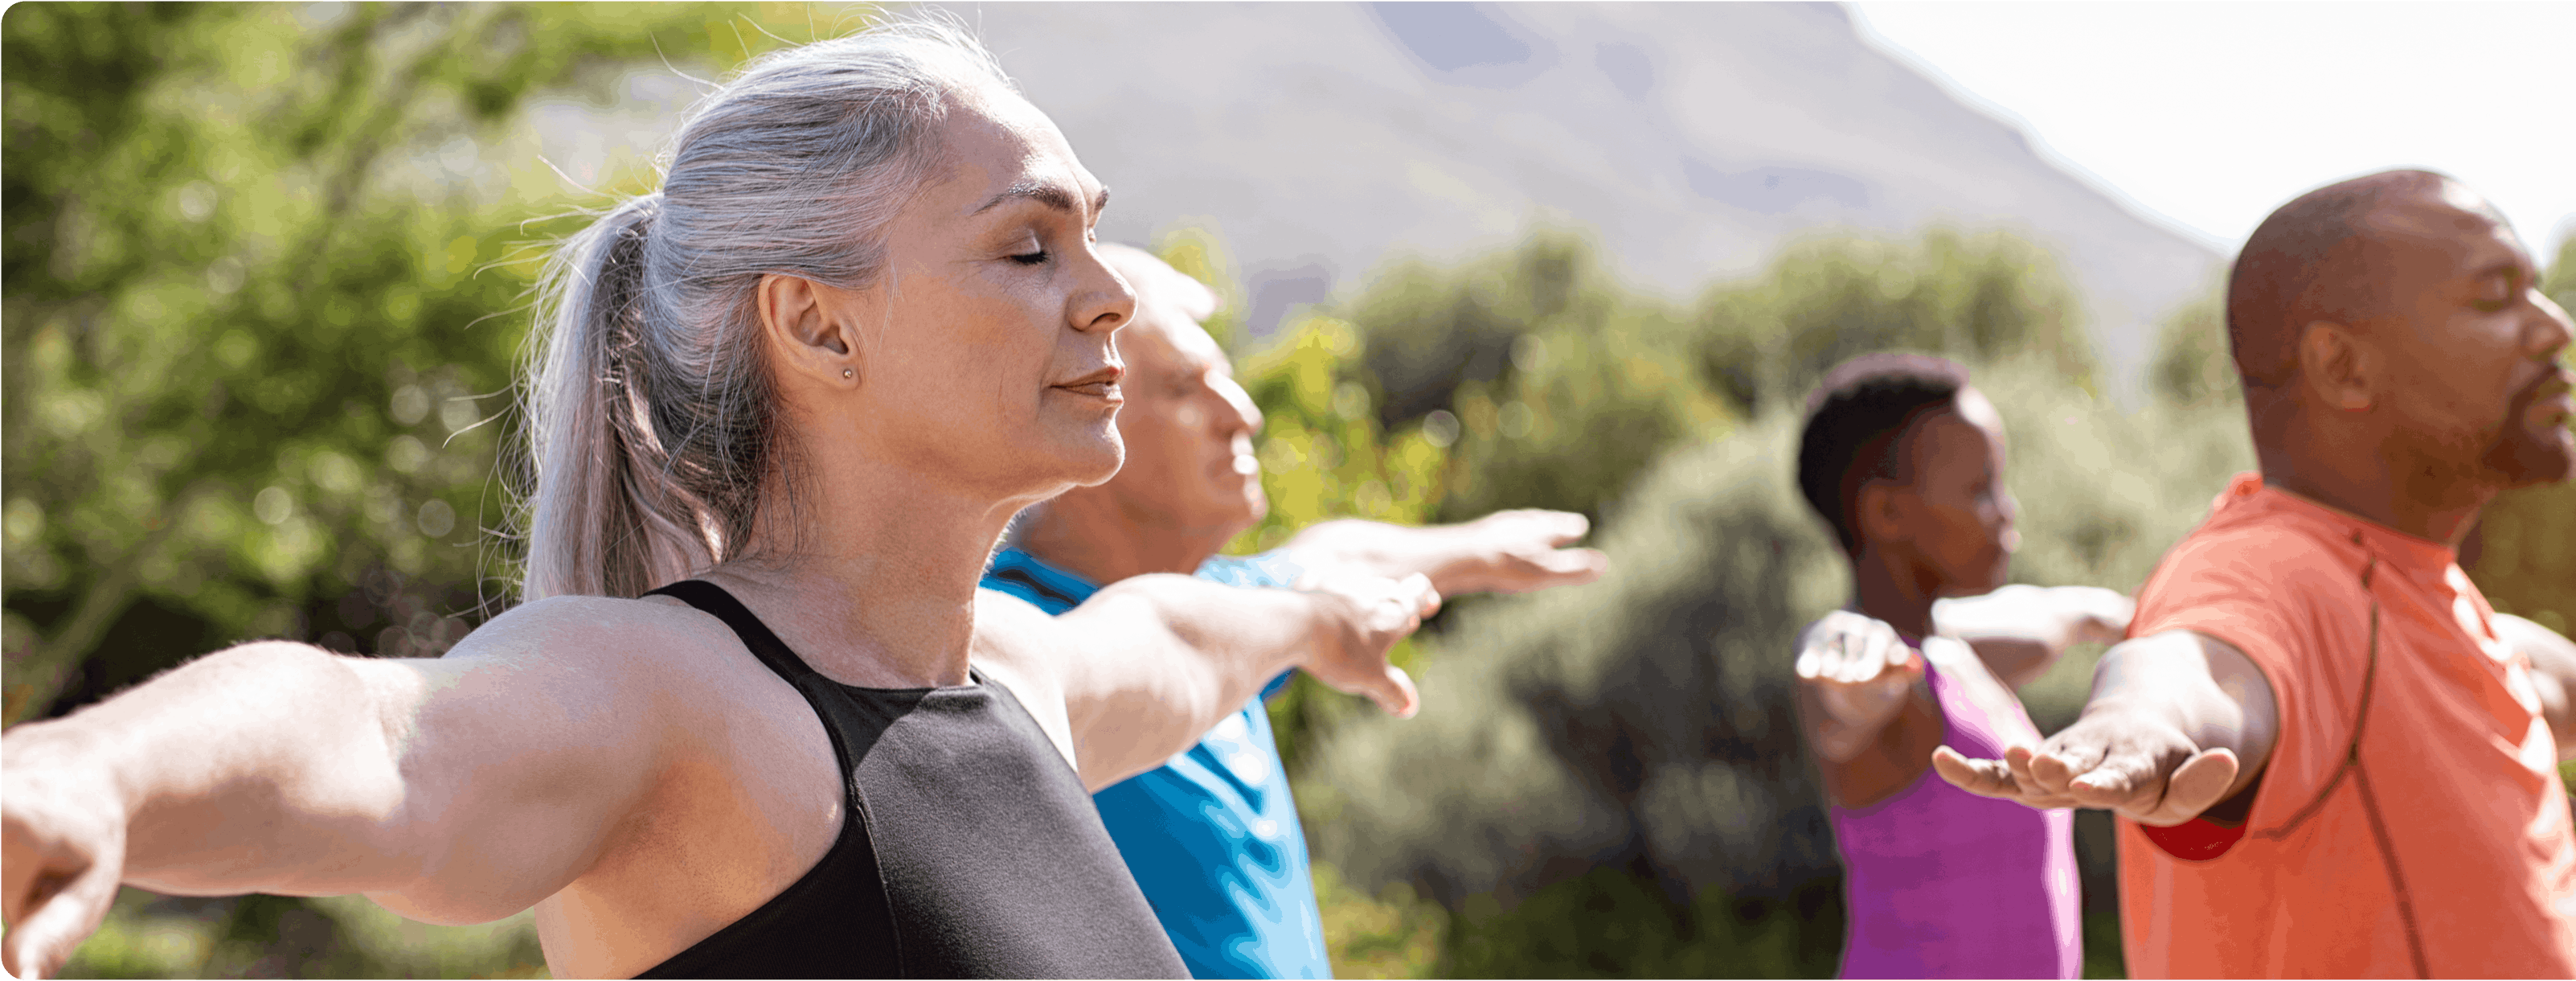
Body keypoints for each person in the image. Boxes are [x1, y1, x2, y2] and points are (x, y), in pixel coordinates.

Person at [0, 21, 1445, 981]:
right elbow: (378, 735)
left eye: (1095, 237)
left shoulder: (1011, 679)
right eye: (1028, 248)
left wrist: (1325, 616)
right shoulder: (683, 696)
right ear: (818, 327)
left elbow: (1197, 640)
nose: (1112, 299)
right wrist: (90, 774)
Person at [1929, 170, 2576, 979]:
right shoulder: (2269, 569)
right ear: (2343, 367)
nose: (2554, 325)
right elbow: (2196, 662)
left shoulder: (2411, 594)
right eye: (2495, 297)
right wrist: (2136, 720)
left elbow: (2526, 675)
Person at [981, 243, 1607, 979]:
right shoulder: (1006, 648)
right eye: (1186, 386)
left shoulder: (1236, 609)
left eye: (1229, 380)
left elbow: (1339, 557)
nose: (1241, 413)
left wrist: (1480, 547)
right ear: (1077, 418)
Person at [1788, 353, 2135, 980]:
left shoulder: (1955, 649)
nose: (2006, 512)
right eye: (1980, 490)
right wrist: (1850, 689)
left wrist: (2137, 614)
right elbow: (1838, 688)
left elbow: (2056, 613)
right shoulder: (1877, 667)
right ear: (1887, 514)